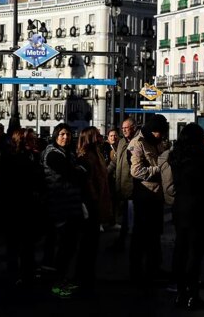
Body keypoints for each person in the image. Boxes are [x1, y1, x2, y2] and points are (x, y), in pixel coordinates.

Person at [167, 123, 204, 310]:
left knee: (182, 250)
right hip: (199, 210)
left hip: (181, 208)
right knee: (195, 255)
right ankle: (193, 294)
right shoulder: (201, 159)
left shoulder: (176, 158)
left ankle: (181, 292)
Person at [39, 123, 85, 296]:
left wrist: (78, 170)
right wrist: (78, 170)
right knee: (62, 246)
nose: (65, 137)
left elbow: (80, 172)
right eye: (62, 134)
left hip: (70, 205)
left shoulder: (68, 154)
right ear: (56, 135)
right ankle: (57, 283)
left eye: (68, 134)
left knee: (70, 245)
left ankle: (63, 279)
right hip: (58, 205)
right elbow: (73, 173)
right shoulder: (52, 154)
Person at [128, 114, 170, 284]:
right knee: (140, 236)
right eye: (160, 133)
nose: (162, 136)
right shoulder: (138, 143)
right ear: (154, 131)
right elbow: (136, 171)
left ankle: (154, 267)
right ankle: (137, 271)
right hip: (144, 195)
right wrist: (158, 170)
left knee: (154, 236)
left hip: (156, 195)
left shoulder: (156, 141)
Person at [0, 128, 43, 285]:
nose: (34, 141)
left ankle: (27, 271)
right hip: (16, 205)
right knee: (15, 243)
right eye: (30, 139)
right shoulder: (12, 157)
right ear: (22, 141)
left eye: (34, 138)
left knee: (28, 243)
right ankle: (15, 273)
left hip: (29, 205)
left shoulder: (33, 156)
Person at [74, 126, 112, 295]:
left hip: (96, 203)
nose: (100, 136)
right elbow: (88, 183)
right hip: (91, 206)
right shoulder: (86, 157)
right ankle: (83, 278)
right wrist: (95, 200)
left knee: (91, 244)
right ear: (90, 138)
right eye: (97, 135)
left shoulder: (96, 154)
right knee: (87, 244)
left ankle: (86, 276)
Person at [112, 117, 139, 252]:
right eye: (122, 128)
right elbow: (115, 160)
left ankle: (131, 246)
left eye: (126, 128)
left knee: (131, 220)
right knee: (124, 219)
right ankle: (122, 243)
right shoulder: (122, 141)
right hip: (121, 185)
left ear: (133, 127)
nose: (123, 130)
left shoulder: (139, 141)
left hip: (133, 187)